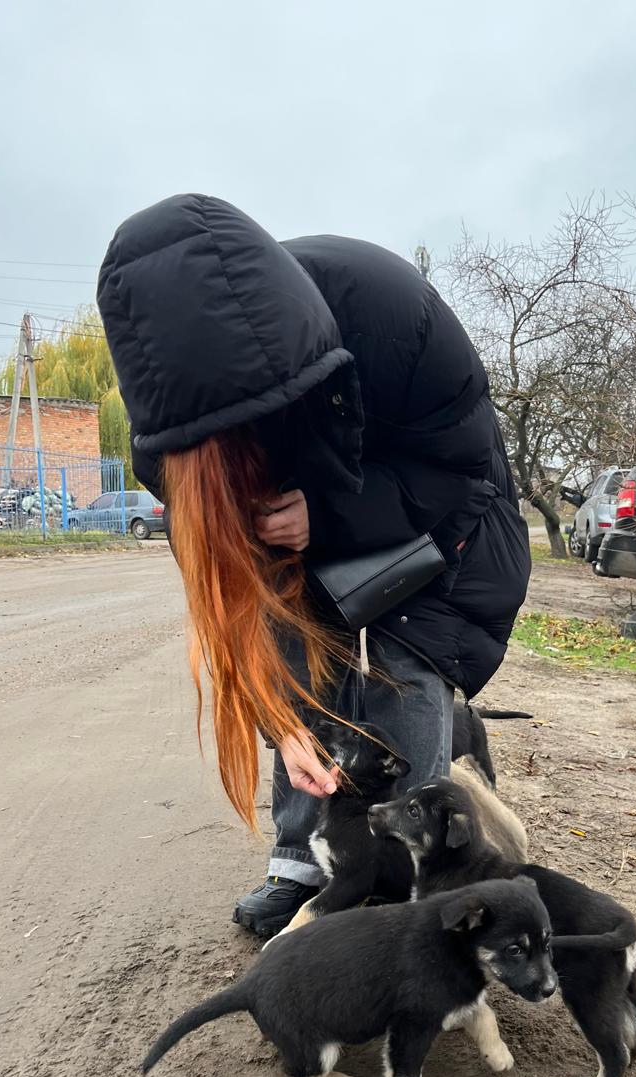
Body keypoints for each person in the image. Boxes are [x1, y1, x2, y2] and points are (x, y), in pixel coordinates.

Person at [97, 194, 530, 937]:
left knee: (408, 665)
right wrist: (283, 726)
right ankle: (305, 861)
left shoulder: (393, 312)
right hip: (299, 521)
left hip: (438, 510)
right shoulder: (169, 423)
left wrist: (325, 514)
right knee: (294, 657)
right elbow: (228, 598)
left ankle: (409, 876)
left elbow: (453, 470)